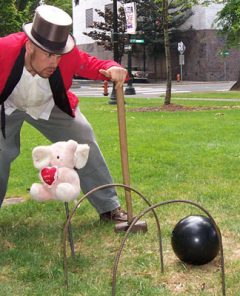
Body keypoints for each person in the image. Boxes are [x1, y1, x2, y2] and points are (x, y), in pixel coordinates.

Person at [0, 5, 128, 223]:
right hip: (8, 105)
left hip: (50, 105)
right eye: (49, 55)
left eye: (58, 56)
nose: (55, 62)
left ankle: (108, 207)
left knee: (83, 137)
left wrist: (113, 66)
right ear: (29, 46)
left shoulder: (67, 56)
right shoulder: (5, 49)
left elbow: (93, 64)